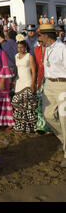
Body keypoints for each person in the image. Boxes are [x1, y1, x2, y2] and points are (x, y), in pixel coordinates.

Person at [39, 24, 66, 168]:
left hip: (62, 85)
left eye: (41, 35)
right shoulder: (48, 49)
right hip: (49, 85)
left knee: (64, 119)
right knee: (48, 115)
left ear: (47, 36)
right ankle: (64, 140)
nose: (39, 38)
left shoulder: (63, 49)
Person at [11, 39, 37, 133]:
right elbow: (15, 69)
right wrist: (12, 80)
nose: (20, 49)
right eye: (18, 47)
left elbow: (34, 71)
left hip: (28, 82)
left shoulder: (29, 56)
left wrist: (33, 83)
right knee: (17, 104)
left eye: (21, 47)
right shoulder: (16, 56)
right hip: (19, 82)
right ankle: (20, 126)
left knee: (27, 105)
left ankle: (30, 127)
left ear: (25, 47)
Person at [34, 31, 52, 133]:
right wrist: (37, 80)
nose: (40, 42)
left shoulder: (51, 49)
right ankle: (41, 126)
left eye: (42, 40)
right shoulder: (37, 49)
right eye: (39, 40)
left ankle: (51, 126)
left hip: (50, 77)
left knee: (50, 103)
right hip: (40, 78)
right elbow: (37, 65)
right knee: (40, 102)